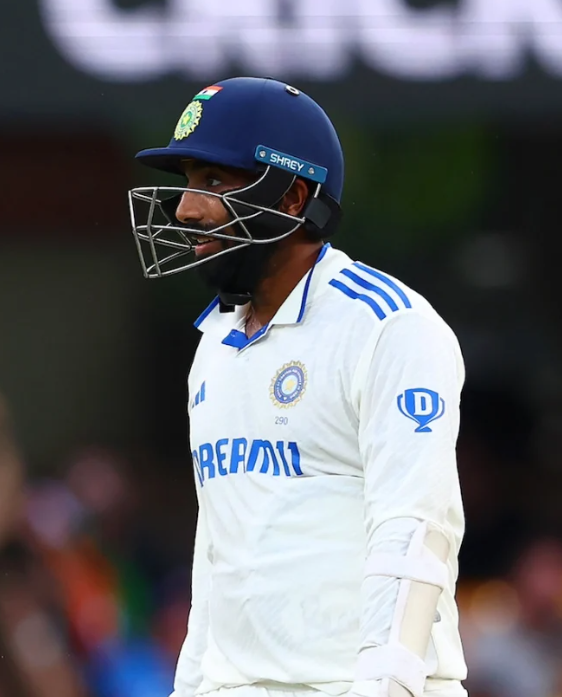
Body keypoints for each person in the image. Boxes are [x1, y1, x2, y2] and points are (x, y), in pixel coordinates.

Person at [127, 77, 467, 697]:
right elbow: (220, 554)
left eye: (215, 182)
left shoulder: (388, 326)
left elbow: (417, 529)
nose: (184, 209)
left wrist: (387, 684)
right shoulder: (215, 345)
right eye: (186, 183)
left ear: (293, 197)